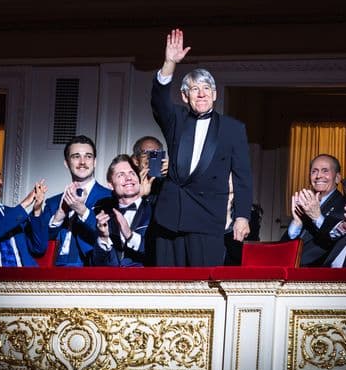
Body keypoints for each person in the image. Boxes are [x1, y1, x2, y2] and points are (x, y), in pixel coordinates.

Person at [150, 28, 253, 266]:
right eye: (194, 89)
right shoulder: (175, 119)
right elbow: (158, 101)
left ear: (215, 94)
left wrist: (241, 216)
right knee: (167, 287)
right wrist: (169, 63)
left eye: (206, 88)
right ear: (185, 97)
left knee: (204, 288)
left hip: (208, 218)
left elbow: (242, 178)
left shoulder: (232, 128)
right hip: (169, 217)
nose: (201, 94)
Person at [43, 135, 112, 266]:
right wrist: (59, 216)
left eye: (88, 156)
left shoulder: (109, 198)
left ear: (95, 162)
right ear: (66, 163)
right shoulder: (52, 203)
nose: (82, 162)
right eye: (76, 156)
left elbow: (112, 239)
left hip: (90, 270)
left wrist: (82, 211)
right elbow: (38, 244)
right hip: (53, 273)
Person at [283, 154, 346, 267]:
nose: (318, 176)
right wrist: (297, 222)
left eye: (325, 171)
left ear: (338, 178)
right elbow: (285, 244)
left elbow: (332, 241)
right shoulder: (305, 203)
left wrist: (317, 217)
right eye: (314, 171)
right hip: (289, 268)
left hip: (318, 273)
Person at [92, 155, 153, 267]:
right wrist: (103, 237)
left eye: (132, 173)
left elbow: (160, 253)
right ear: (110, 185)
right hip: (111, 282)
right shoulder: (103, 213)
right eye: (121, 175)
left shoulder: (154, 209)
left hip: (145, 282)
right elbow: (97, 264)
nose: (128, 178)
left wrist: (130, 235)